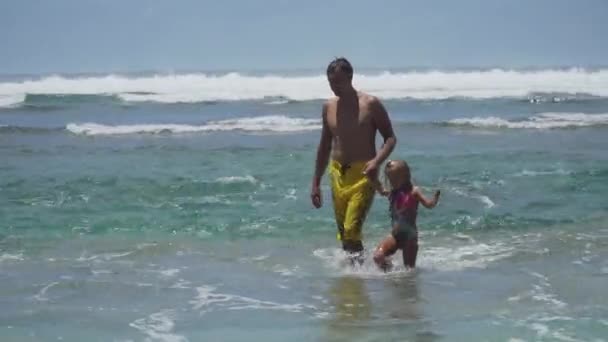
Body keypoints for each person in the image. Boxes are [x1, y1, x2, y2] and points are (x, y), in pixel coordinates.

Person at [310, 57, 397, 257]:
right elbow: (324, 146)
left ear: (351, 77)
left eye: (338, 82)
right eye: (331, 82)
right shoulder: (329, 107)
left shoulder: (370, 104)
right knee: (344, 233)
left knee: (352, 229)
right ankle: (354, 279)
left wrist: (376, 162)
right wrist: (316, 182)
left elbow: (390, 138)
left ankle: (361, 272)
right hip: (337, 173)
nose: (335, 87)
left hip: (364, 174)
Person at [373, 160, 440, 270]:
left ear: (405, 175)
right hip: (395, 235)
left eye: (395, 179)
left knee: (409, 270)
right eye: (390, 179)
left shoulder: (414, 192)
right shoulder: (393, 193)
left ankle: (407, 285)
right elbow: (381, 190)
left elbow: (428, 205)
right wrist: (372, 177)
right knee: (378, 256)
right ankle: (389, 275)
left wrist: (434, 200)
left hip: (410, 236)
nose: (392, 182)